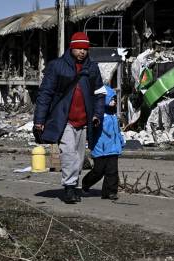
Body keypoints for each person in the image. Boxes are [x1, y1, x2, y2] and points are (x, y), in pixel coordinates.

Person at [33, 32, 105, 204]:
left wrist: (97, 114)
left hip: (84, 121)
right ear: (72, 47)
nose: (82, 52)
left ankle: (73, 184)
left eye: (85, 49)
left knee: (79, 158)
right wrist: (39, 120)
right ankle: (69, 188)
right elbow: (45, 94)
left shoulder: (92, 68)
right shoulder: (56, 66)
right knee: (69, 153)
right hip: (64, 119)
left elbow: (100, 94)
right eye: (79, 48)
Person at [81, 84, 124, 201]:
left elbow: (117, 131)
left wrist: (121, 141)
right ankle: (86, 183)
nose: (114, 101)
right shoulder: (98, 115)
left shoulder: (113, 115)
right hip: (100, 148)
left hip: (113, 148)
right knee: (98, 171)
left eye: (115, 99)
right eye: (112, 99)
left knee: (112, 171)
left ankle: (110, 192)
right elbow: (92, 130)